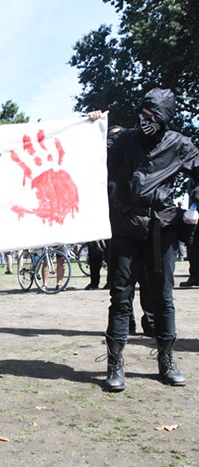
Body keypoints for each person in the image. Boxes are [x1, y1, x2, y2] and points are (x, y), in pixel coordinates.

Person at [89, 87, 199, 392]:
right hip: (125, 228)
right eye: (143, 112)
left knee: (163, 298)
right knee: (120, 297)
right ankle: (115, 363)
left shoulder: (180, 145)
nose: (145, 118)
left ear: (164, 118)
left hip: (160, 229)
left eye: (152, 115)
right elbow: (90, 152)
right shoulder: (124, 140)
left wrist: (193, 207)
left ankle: (167, 360)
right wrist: (92, 124)